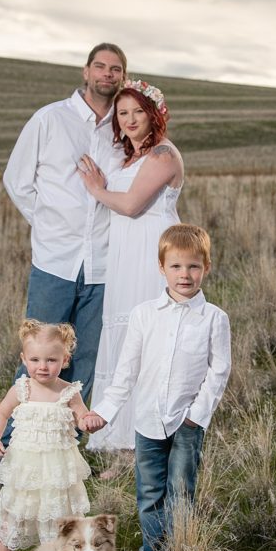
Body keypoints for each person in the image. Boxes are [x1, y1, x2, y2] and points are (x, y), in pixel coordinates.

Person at [0, 43, 127, 489]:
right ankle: (8, 455)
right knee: (38, 359)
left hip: (102, 264)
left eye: (115, 68)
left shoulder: (120, 129)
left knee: (83, 361)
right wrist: (48, 224)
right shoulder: (49, 119)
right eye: (100, 65)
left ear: (122, 76)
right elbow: (16, 180)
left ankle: (65, 454)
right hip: (55, 260)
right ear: (86, 71)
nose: (106, 74)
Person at [81, 224, 231, 551]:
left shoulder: (214, 319)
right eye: (176, 266)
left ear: (206, 268)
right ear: (161, 267)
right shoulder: (144, 315)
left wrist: (196, 417)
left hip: (187, 421)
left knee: (180, 488)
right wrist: (104, 411)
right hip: (146, 418)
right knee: (149, 491)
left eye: (194, 266)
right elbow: (126, 373)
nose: (185, 274)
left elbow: (219, 372)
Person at [76, 79, 184, 479]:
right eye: (123, 113)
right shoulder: (127, 156)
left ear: (154, 113)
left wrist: (96, 189)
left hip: (149, 253)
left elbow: (134, 205)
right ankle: (122, 444)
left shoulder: (162, 154)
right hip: (125, 255)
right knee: (124, 342)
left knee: (147, 344)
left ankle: (148, 444)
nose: (131, 119)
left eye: (138, 111)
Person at [0, 320, 92, 551]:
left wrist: (90, 422)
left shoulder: (69, 392)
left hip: (57, 467)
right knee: (16, 507)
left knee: (57, 510)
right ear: (24, 359)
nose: (42, 367)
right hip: (26, 464)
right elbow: (0, 413)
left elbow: (83, 418)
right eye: (35, 360)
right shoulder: (22, 389)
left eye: (51, 360)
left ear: (65, 359)